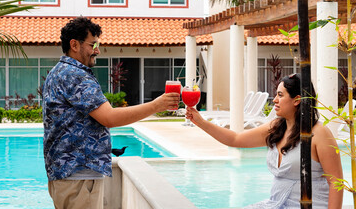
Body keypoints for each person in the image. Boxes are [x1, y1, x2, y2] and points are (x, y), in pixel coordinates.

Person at [42, 16, 180, 209]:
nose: (97, 50)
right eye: (93, 44)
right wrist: (156, 106)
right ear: (74, 44)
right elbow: (109, 117)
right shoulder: (75, 75)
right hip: (79, 177)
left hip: (68, 175)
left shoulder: (59, 71)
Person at [186, 73, 343, 208]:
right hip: (276, 204)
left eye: (280, 95)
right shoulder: (277, 127)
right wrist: (201, 122)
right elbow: (236, 139)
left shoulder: (319, 134)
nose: (274, 100)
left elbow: (336, 184)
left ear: (297, 100)